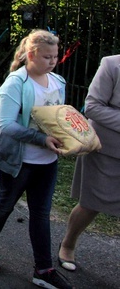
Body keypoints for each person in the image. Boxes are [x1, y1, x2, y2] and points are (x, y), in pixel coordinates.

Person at [0, 30, 72, 289]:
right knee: (5, 204)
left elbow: (59, 118)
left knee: (41, 214)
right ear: (31, 54)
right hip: (19, 160)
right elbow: (6, 125)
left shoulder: (58, 81)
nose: (52, 61)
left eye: (55, 56)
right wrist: (41, 139)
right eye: (46, 57)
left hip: (47, 162)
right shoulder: (16, 83)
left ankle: (43, 269)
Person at [58, 55, 120, 273]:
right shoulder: (112, 64)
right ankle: (68, 244)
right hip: (107, 149)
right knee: (91, 204)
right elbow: (92, 107)